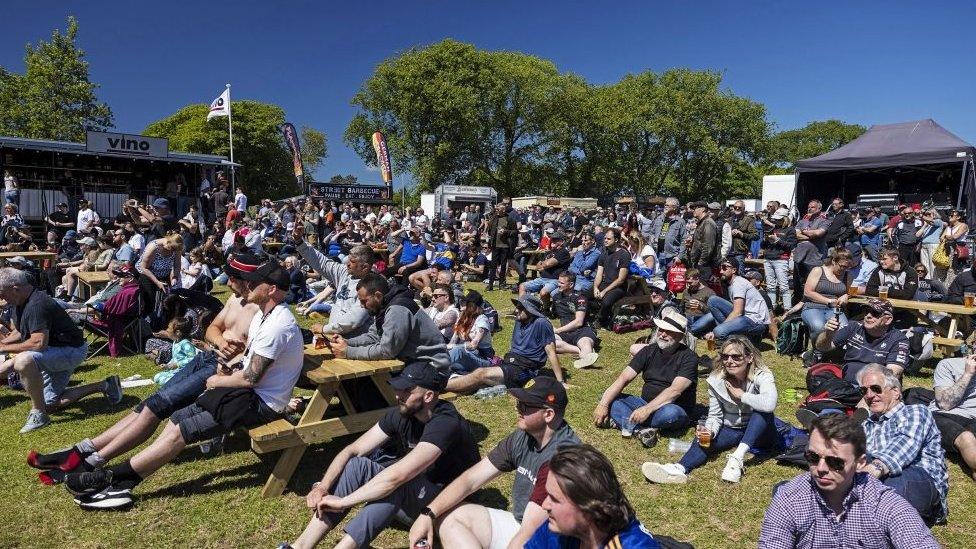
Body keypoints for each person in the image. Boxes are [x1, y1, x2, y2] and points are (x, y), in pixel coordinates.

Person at [64, 258, 304, 510]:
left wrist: (216, 380)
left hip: (262, 402)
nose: (249, 285)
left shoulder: (278, 325)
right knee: (178, 418)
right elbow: (248, 363)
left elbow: (250, 378)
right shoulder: (264, 317)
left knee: (184, 431)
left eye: (256, 283)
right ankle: (118, 475)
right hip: (245, 391)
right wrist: (228, 366)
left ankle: (117, 480)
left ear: (272, 290)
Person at [28, 262, 259, 479]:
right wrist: (221, 343)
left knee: (157, 407)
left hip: (223, 370)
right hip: (208, 357)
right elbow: (212, 329)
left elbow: (257, 359)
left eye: (232, 279)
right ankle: (82, 449)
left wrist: (234, 355)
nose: (227, 283)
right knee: (150, 402)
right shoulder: (234, 300)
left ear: (247, 280)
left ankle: (91, 461)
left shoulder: (261, 312)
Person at [283, 361, 479, 549]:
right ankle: (299, 546)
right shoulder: (403, 414)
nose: (397, 395)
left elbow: (397, 477)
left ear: (428, 396)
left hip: (449, 511)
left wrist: (343, 502)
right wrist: (323, 487)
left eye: (407, 391)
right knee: (357, 464)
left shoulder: (445, 423)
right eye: (399, 388)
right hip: (416, 498)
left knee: (398, 483)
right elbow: (352, 450)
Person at [408, 377, 580, 549]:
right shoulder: (524, 436)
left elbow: (530, 531)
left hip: (546, 540)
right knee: (448, 516)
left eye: (525, 406)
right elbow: (471, 479)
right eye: (518, 403)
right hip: (520, 525)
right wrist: (428, 513)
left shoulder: (563, 459)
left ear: (548, 414)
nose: (517, 409)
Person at [759, 414, 940, 549]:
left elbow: (920, 542)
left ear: (860, 463)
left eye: (835, 462)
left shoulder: (882, 504)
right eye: (813, 457)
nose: (821, 468)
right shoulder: (789, 499)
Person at [642, 336, 785, 484]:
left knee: (762, 411)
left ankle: (737, 458)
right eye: (725, 356)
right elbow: (715, 415)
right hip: (731, 428)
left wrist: (741, 395)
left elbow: (769, 404)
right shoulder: (716, 379)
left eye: (736, 357)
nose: (729, 361)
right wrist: (710, 431)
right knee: (704, 439)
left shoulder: (762, 374)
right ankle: (678, 469)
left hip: (760, 432)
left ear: (749, 357)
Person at [0, 268, 118, 433]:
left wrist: (3, 348)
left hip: (71, 350)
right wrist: (4, 343)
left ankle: (38, 415)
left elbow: (38, 343)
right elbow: (21, 331)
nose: (2, 299)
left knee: (23, 360)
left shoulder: (37, 304)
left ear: (15, 288)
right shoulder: (20, 302)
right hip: (54, 351)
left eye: (2, 294)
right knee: (49, 404)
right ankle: (104, 385)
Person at [858, 364, 948, 524]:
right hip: (877, 480)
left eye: (876, 388)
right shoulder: (867, 425)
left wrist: (874, 468)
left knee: (895, 482)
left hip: (917, 478)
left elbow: (905, 444)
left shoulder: (915, 412)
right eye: (864, 391)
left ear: (896, 392)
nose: (869, 395)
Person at [594, 309, 697, 448]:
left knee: (671, 414)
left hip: (672, 406)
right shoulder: (648, 351)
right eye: (661, 330)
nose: (663, 334)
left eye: (669, 332)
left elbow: (675, 391)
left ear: (679, 336)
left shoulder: (689, 357)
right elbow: (623, 378)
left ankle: (625, 421)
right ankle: (640, 431)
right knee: (607, 397)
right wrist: (603, 405)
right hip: (644, 403)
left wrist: (647, 410)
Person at [524, 444, 661, 548]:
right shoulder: (557, 527)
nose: (544, 505)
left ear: (589, 507)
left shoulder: (632, 544)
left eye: (554, 499)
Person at [322, 273, 450, 374]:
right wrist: (346, 342)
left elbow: (387, 351)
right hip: (415, 363)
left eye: (364, 301)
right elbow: (373, 336)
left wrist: (348, 352)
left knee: (371, 386)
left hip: (432, 368)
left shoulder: (397, 309)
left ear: (377, 295)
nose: (362, 306)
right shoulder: (385, 306)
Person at [446, 294, 565, 394]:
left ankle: (438, 386)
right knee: (473, 375)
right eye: (517, 306)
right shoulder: (520, 321)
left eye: (521, 307)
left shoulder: (541, 323)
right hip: (510, 363)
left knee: (480, 374)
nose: (516, 310)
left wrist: (560, 382)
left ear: (530, 310)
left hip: (524, 370)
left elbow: (551, 352)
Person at [815, 298, 909, 380]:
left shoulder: (899, 340)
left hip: (875, 387)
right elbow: (821, 347)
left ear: (888, 319)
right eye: (866, 311)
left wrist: (869, 387)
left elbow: (894, 373)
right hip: (845, 383)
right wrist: (828, 334)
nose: (868, 315)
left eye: (875, 313)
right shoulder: (853, 326)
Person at [692, 257, 769, 342]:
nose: (721, 271)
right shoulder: (731, 284)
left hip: (755, 321)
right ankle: (738, 337)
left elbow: (737, 312)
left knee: (718, 331)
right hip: (745, 316)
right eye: (720, 268)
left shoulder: (739, 283)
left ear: (734, 270)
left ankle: (748, 339)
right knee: (713, 300)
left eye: (725, 268)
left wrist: (719, 329)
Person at [928, 354, 976, 481]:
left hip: (973, 419)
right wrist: (968, 374)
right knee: (966, 438)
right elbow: (945, 404)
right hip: (944, 415)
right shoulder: (948, 364)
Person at [800, 247, 852, 346]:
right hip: (813, 306)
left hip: (835, 309)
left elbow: (849, 292)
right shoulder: (818, 270)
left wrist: (846, 296)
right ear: (833, 261)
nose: (844, 269)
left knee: (843, 328)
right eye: (842, 266)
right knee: (819, 327)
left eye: (847, 267)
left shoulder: (847, 275)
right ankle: (817, 352)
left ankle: (833, 351)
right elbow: (808, 292)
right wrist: (828, 301)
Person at [551, 272, 600, 369]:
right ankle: (578, 350)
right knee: (548, 343)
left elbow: (579, 322)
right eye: (558, 282)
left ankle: (586, 358)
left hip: (583, 330)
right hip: (565, 332)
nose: (558, 285)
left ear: (571, 284)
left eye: (561, 283)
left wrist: (558, 330)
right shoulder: (556, 297)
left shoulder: (580, 298)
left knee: (585, 343)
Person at [446, 289, 494, 374]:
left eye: (464, 301)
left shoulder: (482, 320)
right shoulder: (462, 319)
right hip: (467, 355)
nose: (460, 302)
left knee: (457, 350)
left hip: (483, 358)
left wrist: (455, 347)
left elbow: (473, 345)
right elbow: (452, 341)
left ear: (471, 305)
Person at [592, 227, 630, 328]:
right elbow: (599, 274)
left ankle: (601, 320)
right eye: (605, 238)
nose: (605, 240)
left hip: (618, 287)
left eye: (608, 239)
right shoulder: (603, 254)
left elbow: (621, 279)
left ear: (616, 240)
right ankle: (591, 314)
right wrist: (595, 287)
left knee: (606, 301)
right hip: (605, 283)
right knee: (585, 295)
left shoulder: (624, 255)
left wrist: (604, 291)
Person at [519, 231, 571, 305]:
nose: (552, 241)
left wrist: (544, 264)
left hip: (554, 280)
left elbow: (547, 264)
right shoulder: (548, 252)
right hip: (542, 278)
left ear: (562, 241)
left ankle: (546, 309)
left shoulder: (563, 252)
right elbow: (537, 267)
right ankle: (522, 307)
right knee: (522, 286)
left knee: (543, 293)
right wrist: (545, 264)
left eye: (556, 239)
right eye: (552, 239)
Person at [762, 207, 796, 310]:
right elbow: (762, 245)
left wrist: (777, 240)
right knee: (770, 286)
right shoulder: (772, 228)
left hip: (781, 259)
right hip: (768, 258)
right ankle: (771, 308)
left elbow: (791, 246)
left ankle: (787, 309)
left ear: (785, 218)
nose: (776, 220)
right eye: (775, 219)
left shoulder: (790, 230)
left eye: (779, 219)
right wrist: (765, 239)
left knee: (783, 286)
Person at [651, 197, 686, 273]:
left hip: (672, 256)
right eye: (665, 205)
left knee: (672, 280)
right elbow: (652, 233)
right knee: (659, 279)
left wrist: (679, 256)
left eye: (667, 205)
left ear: (674, 208)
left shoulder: (680, 222)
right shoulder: (658, 219)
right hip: (658, 254)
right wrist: (653, 239)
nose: (665, 206)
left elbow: (684, 240)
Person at [485, 202, 513, 291]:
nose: (497, 210)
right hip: (495, 245)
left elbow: (515, 232)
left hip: (505, 245)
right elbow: (489, 230)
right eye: (496, 209)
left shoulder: (509, 218)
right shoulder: (494, 217)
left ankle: (502, 284)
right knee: (493, 265)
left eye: (498, 209)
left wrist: (505, 232)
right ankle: (490, 285)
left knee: (503, 266)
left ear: (503, 209)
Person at [686, 201, 719, 276]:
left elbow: (708, 247)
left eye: (695, 208)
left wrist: (701, 263)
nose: (693, 210)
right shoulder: (701, 222)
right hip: (699, 263)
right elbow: (700, 241)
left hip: (705, 265)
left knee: (704, 286)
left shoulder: (708, 223)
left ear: (703, 209)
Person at [916, 208, 944, 276]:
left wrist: (922, 216)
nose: (927, 215)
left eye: (929, 214)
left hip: (933, 245)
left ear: (934, 215)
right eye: (926, 214)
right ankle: (927, 281)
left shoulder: (939, 221)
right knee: (924, 265)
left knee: (932, 265)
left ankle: (934, 281)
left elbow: (932, 221)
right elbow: (917, 235)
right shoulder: (927, 225)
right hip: (924, 245)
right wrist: (925, 225)